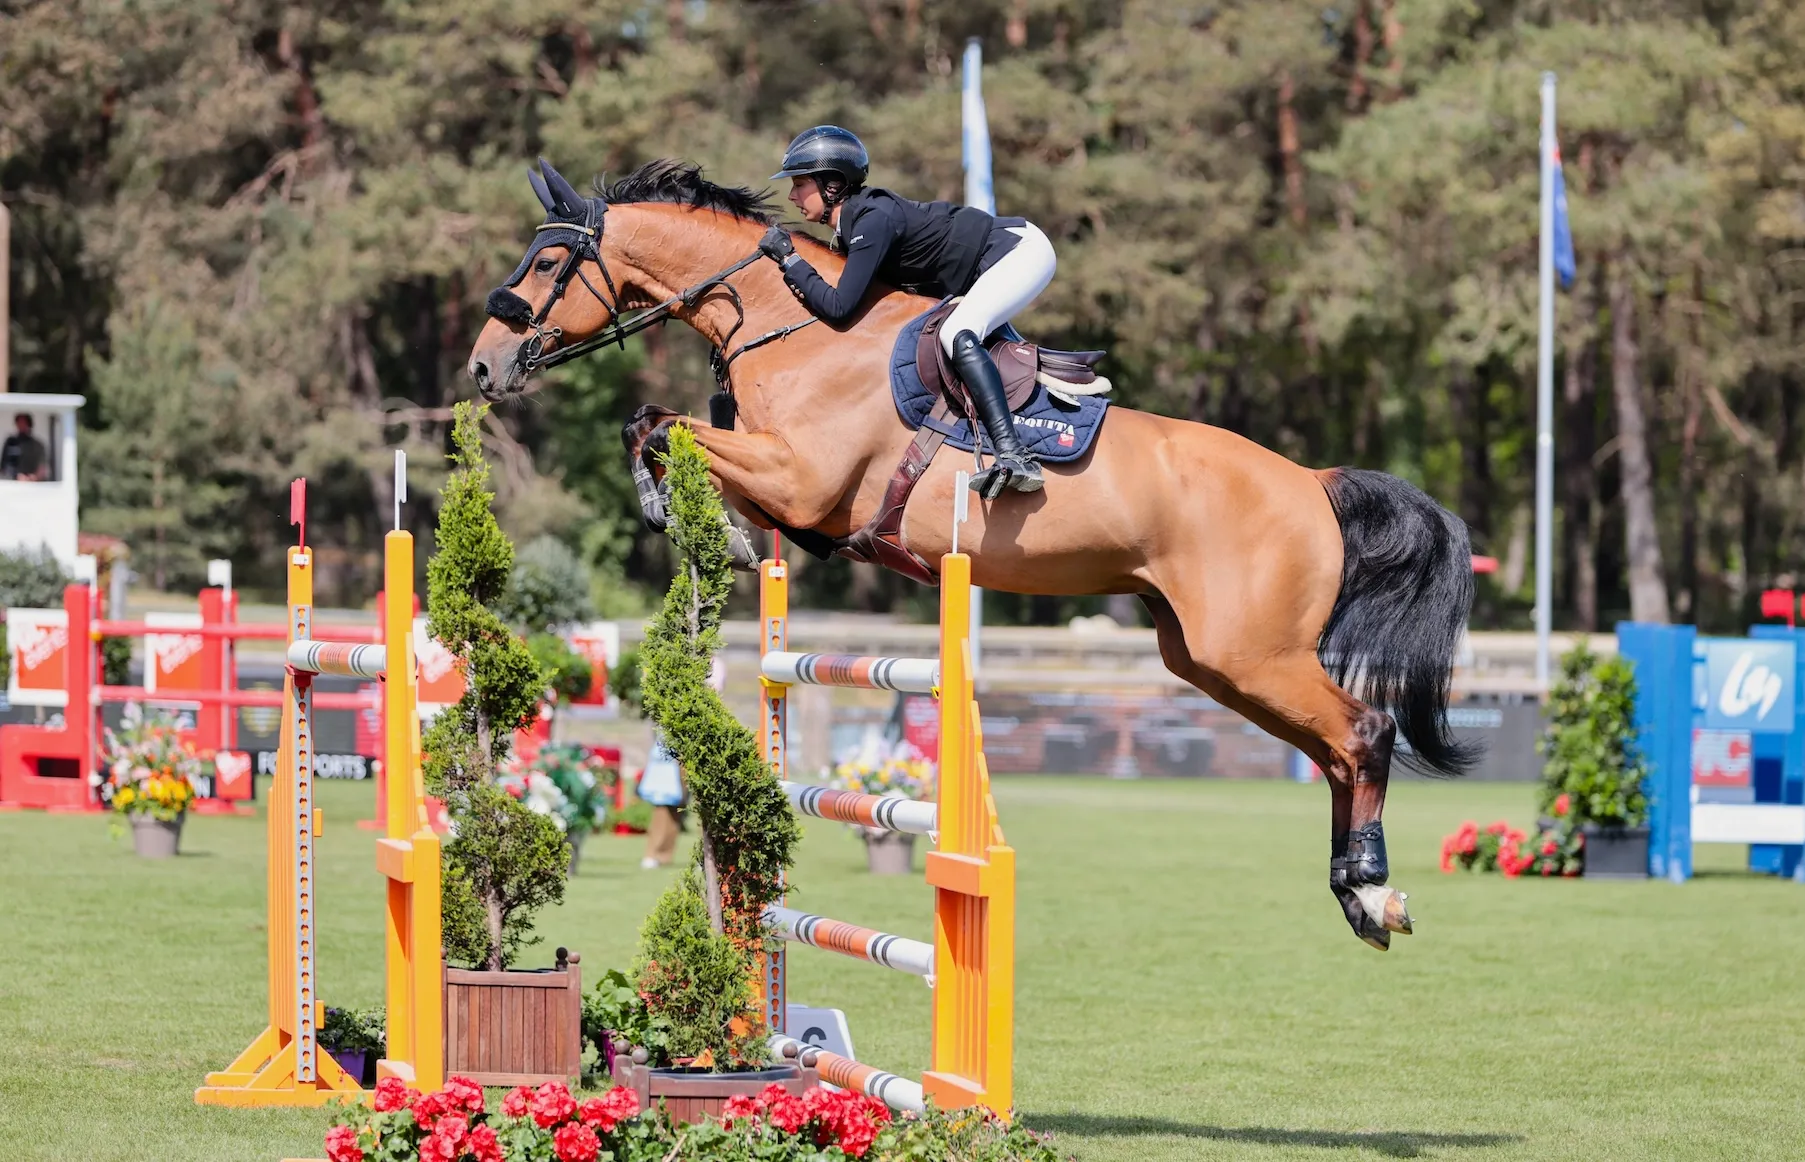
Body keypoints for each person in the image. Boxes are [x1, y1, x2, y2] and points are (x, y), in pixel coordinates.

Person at [756, 125, 1054, 498]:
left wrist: (789, 259)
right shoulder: (856, 225)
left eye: (800, 184)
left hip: (1019, 251)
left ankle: (1014, 455)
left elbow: (838, 308)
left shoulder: (871, 221)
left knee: (956, 333)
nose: (792, 195)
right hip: (989, 265)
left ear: (831, 184)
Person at [638, 736, 686, 870]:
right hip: (664, 785)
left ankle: (664, 855)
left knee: (674, 819)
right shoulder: (665, 738)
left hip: (676, 782)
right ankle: (651, 854)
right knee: (660, 818)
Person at [0, 413, 46, 481]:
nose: (20, 425)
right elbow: (3, 466)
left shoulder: (37, 445)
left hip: (31, 484)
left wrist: (33, 477)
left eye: (23, 422)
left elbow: (42, 468)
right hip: (11, 483)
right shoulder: (10, 442)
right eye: (19, 422)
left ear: (29, 424)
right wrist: (15, 476)